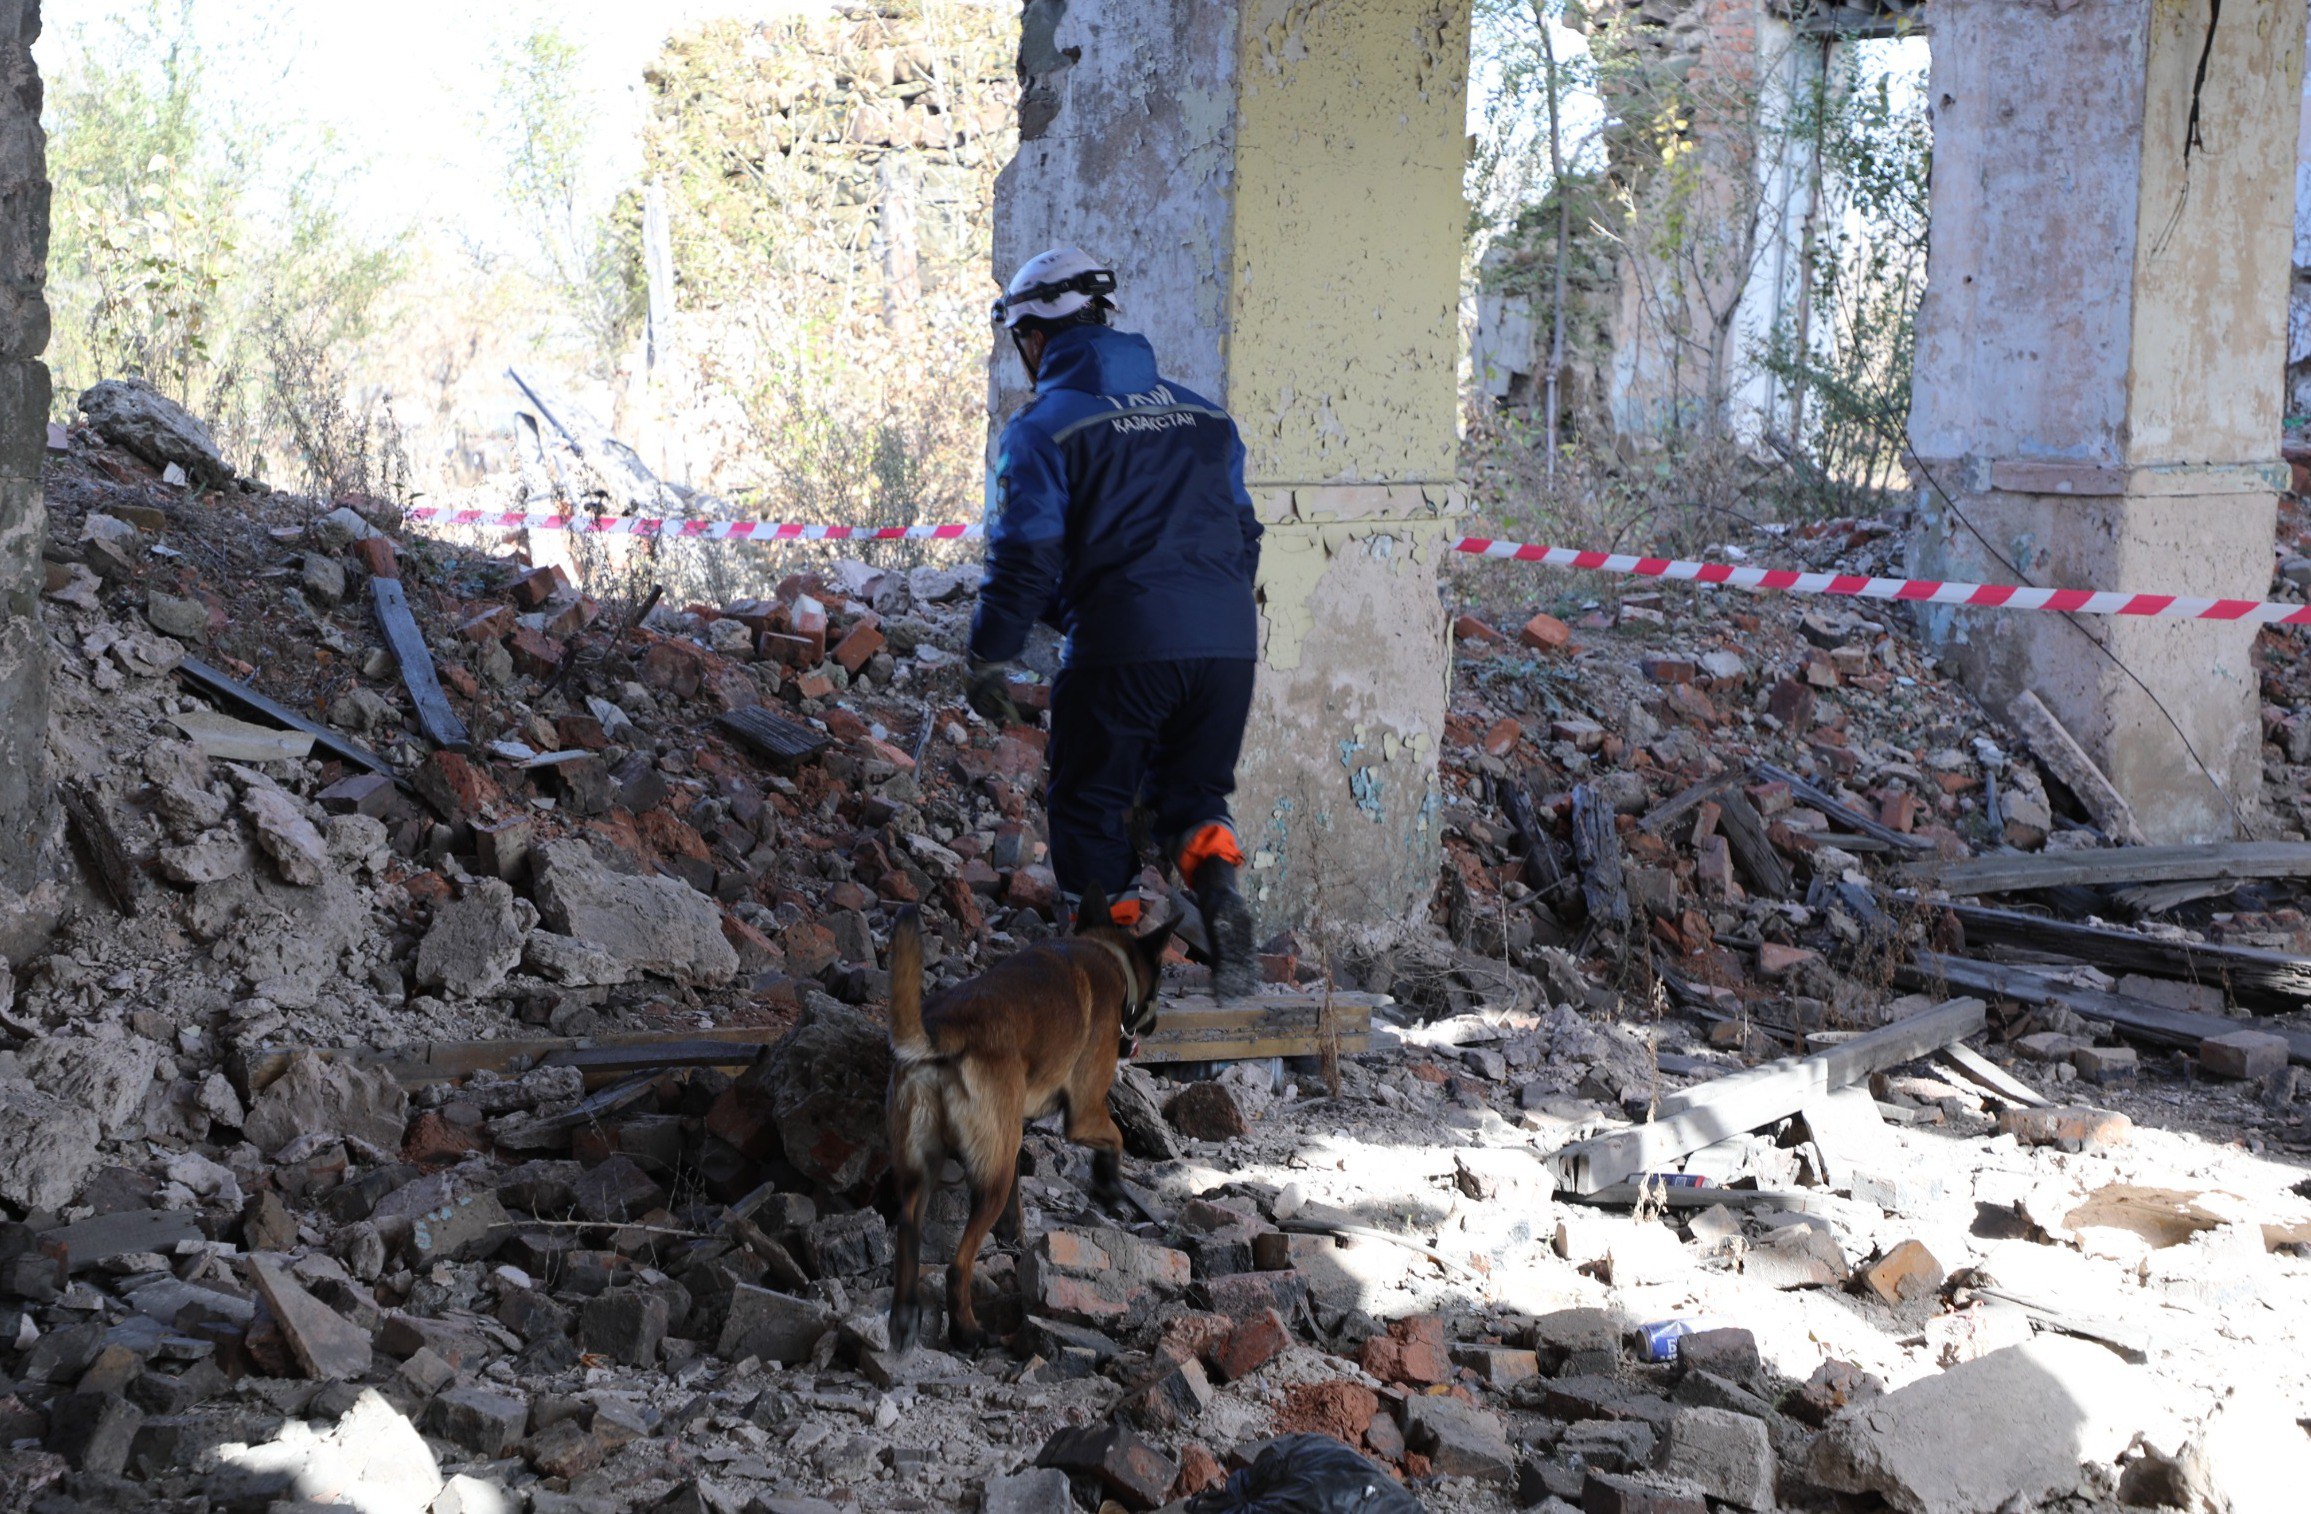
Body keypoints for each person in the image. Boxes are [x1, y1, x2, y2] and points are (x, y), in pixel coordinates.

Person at [966, 247, 1262, 999]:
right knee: (1192, 795)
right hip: (1228, 646)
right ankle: (1220, 894)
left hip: (1122, 642)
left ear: (1034, 338)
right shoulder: (1206, 416)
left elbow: (1026, 554)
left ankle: (1111, 973)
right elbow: (1244, 535)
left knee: (1090, 806)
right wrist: (1208, 612)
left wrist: (990, 654)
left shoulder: (1045, 428)